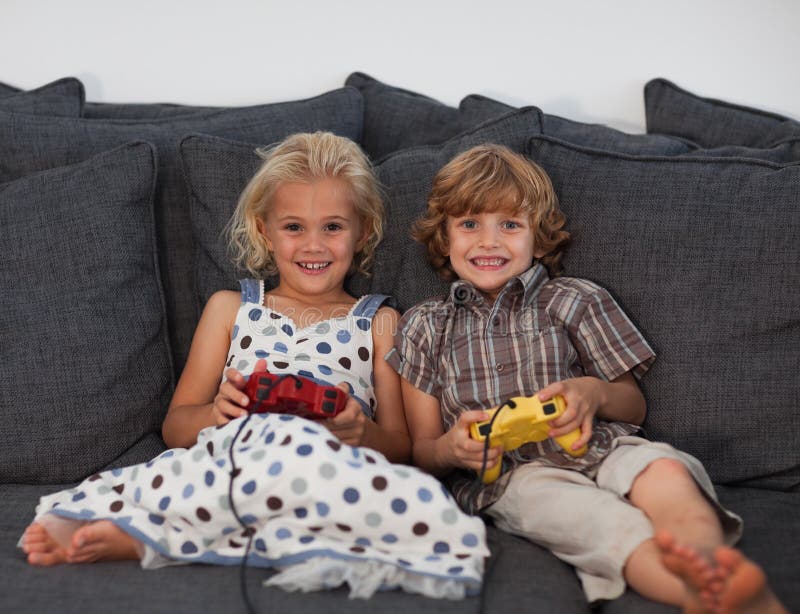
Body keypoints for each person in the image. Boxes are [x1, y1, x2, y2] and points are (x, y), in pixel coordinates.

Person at [19, 132, 488, 599]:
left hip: (326, 465)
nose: (313, 245)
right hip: (236, 451)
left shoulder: (381, 320)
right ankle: (252, 537)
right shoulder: (230, 308)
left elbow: (402, 447)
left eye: (332, 227)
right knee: (202, 476)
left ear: (363, 231)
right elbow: (177, 428)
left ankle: (159, 538)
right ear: (264, 230)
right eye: (293, 227)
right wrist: (216, 413)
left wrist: (357, 431)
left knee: (395, 500)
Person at [387, 144, 788, 613]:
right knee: (599, 524)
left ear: (538, 241)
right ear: (444, 238)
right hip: (517, 479)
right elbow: (422, 453)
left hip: (603, 446)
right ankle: (707, 598)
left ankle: (709, 562)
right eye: (469, 223)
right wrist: (451, 448)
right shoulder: (423, 326)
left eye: (510, 224)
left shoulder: (575, 300)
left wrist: (590, 394)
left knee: (665, 471)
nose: (488, 241)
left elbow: (632, 405)